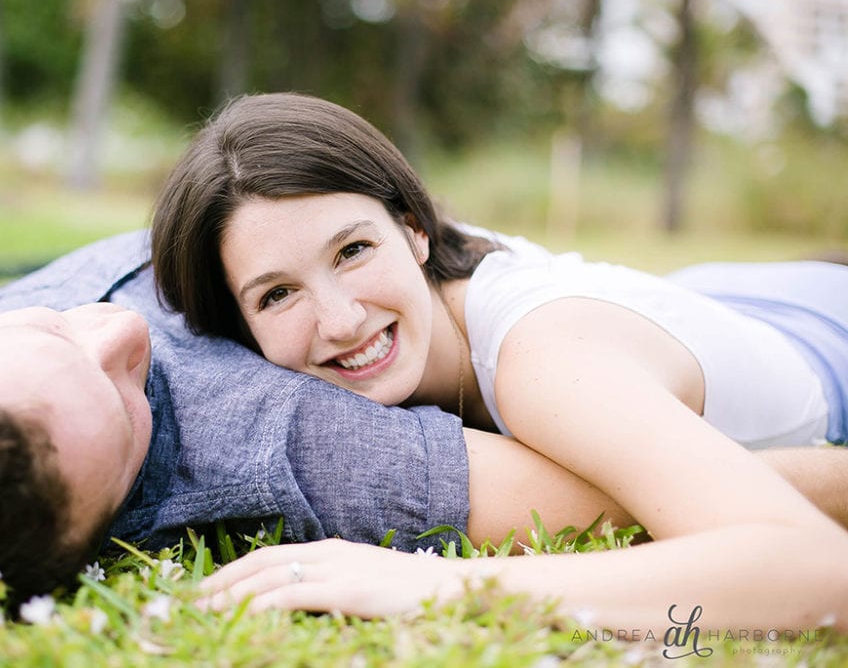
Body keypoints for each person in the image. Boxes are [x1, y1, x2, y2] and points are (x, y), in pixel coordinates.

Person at [0, 232, 846, 615]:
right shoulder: (287, 444)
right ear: (106, 527)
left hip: (673, 304)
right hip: (783, 344)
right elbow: (642, 491)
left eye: (45, 331)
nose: (117, 329)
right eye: (128, 399)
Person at [151, 92, 848, 631]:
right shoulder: (443, 301)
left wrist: (427, 585)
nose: (339, 319)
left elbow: (817, 570)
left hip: (821, 325)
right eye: (277, 294)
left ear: (415, 229)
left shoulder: (545, 361)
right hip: (711, 295)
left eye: (353, 250)